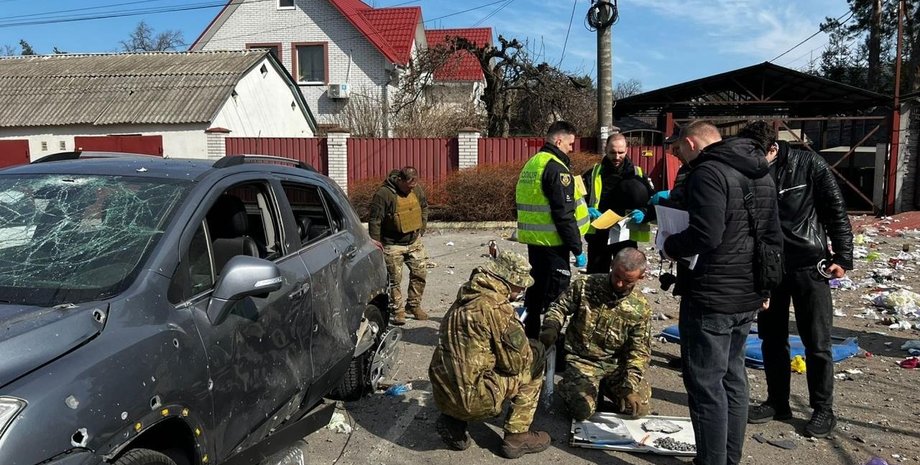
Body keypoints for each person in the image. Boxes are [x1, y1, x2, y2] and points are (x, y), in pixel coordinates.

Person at [662, 121, 783, 465]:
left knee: (705, 385)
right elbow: (772, 236)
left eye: (681, 151)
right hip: (746, 294)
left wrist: (670, 245)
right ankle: (730, 458)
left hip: (712, 295)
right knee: (733, 376)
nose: (681, 159)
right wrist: (765, 287)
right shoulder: (761, 170)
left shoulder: (707, 172)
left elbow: (707, 235)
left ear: (690, 143)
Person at [740, 121, 853, 438]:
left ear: (773, 148)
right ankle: (777, 402)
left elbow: (835, 210)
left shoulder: (808, 163)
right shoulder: (752, 171)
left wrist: (842, 257)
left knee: (817, 342)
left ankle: (822, 409)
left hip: (808, 264)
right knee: (771, 338)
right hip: (769, 268)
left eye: (757, 154)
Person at [429, 251, 550, 459]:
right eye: (521, 284)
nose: (523, 289)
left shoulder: (465, 295)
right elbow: (516, 364)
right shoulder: (496, 308)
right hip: (475, 398)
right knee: (535, 357)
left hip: (443, 392)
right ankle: (517, 436)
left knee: (467, 363)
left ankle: (454, 422)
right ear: (510, 280)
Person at [539, 247, 653, 421]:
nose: (620, 284)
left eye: (627, 281)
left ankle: (603, 388)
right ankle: (570, 385)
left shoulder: (640, 308)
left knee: (639, 408)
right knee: (582, 411)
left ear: (641, 277)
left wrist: (629, 386)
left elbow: (639, 352)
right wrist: (551, 327)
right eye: (617, 276)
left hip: (615, 365)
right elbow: (559, 307)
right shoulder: (585, 285)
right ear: (612, 265)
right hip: (581, 360)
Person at [515, 120, 590, 338]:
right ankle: (551, 351)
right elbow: (563, 214)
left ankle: (529, 339)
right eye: (570, 144)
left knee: (535, 293)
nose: (571, 148)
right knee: (556, 299)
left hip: (535, 241)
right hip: (554, 244)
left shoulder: (533, 163)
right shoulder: (557, 168)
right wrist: (577, 248)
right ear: (559, 141)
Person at [582, 133, 655, 274]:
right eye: (612, 152)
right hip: (599, 234)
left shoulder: (638, 174)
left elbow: (651, 201)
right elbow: (578, 200)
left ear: (627, 150)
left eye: (620, 152)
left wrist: (644, 213)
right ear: (606, 149)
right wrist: (587, 209)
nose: (616, 157)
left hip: (626, 234)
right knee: (596, 276)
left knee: (625, 276)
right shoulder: (593, 173)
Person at [368, 166, 429, 325]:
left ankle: (413, 306)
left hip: (414, 241)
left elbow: (423, 207)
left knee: (420, 273)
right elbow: (375, 220)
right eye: (409, 185)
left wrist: (422, 227)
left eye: (414, 184)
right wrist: (376, 243)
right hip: (392, 244)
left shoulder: (416, 190)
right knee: (394, 280)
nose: (412, 188)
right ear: (400, 180)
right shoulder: (384, 194)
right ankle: (398, 310)